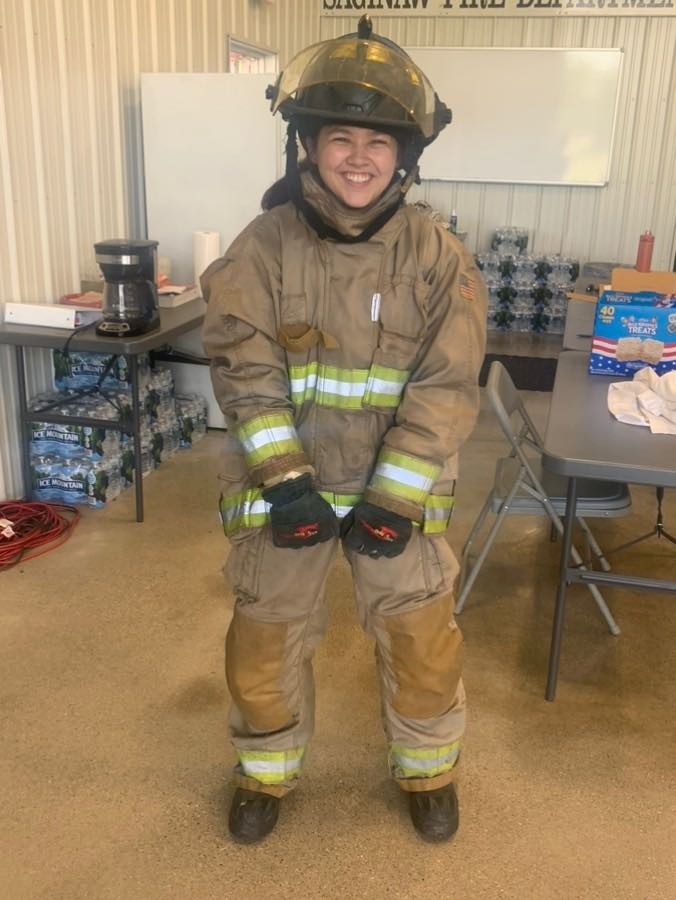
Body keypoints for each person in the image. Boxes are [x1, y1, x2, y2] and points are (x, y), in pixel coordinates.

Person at [201, 15, 487, 845]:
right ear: (307, 146)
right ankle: (265, 773)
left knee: (422, 642)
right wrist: (286, 482)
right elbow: (245, 372)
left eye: (378, 142)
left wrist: (394, 498)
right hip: (283, 490)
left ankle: (429, 772)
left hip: (397, 494)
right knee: (264, 640)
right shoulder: (261, 248)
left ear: (406, 156)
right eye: (339, 139)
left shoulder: (438, 257)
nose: (358, 158)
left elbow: (445, 386)